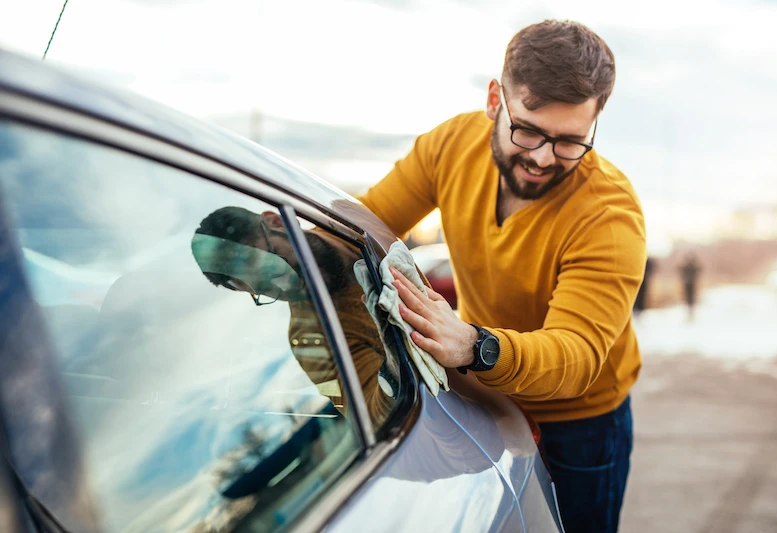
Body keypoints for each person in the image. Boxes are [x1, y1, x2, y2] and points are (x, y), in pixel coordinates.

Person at [358, 20, 646, 533]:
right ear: (496, 99)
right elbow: (367, 223)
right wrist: (279, 241)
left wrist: (473, 345)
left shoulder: (609, 214)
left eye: (569, 142)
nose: (541, 158)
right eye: (528, 129)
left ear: (595, 123)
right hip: (489, 394)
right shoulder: (450, 146)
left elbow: (576, 355)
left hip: (581, 420)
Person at [190, 206, 397, 426]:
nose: (289, 286)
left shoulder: (352, 221)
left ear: (277, 222)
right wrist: (395, 360)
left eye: (276, 266)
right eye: (265, 289)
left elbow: (430, 174)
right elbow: (374, 417)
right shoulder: (311, 341)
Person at [679, 252, 701, 322]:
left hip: (691, 284)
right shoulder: (687, 266)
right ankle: (689, 311)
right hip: (688, 284)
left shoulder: (692, 266)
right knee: (689, 298)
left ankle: (690, 312)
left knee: (690, 298)